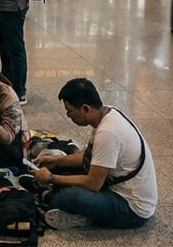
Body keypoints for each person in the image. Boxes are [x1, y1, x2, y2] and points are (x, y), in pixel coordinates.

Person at [28, 78, 156, 230]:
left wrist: (51, 178)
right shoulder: (107, 113)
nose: (69, 116)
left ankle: (52, 198)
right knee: (64, 168)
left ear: (86, 109)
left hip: (132, 209)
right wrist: (57, 161)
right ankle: (73, 206)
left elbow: (93, 184)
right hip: (112, 185)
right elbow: (89, 156)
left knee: (71, 197)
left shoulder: (108, 133)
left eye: (70, 112)